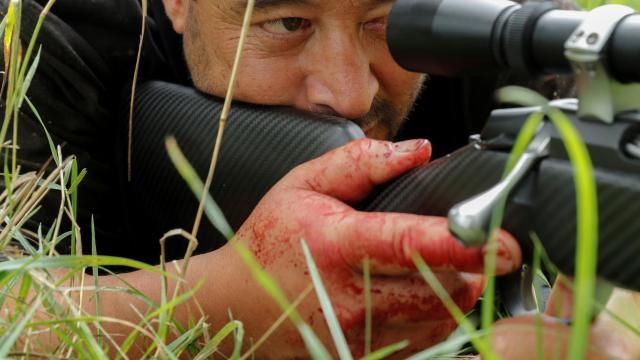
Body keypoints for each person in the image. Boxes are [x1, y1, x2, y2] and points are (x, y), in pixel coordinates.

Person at [1, 0, 638, 358]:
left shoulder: (497, 48)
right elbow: (13, 311)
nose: (350, 93)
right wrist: (227, 299)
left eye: (383, 24)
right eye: (287, 22)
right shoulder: (45, 35)